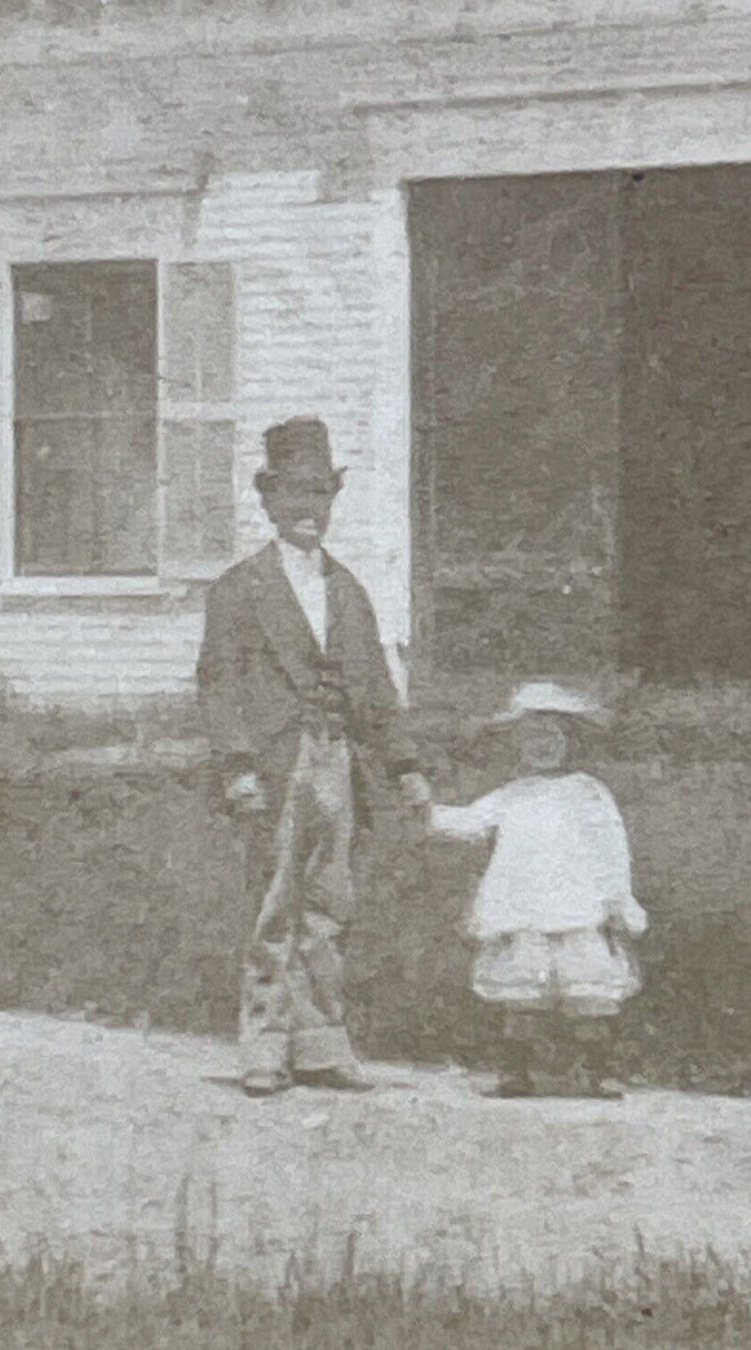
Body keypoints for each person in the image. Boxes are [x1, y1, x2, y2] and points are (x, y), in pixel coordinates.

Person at [196, 416, 431, 1098]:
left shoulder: (347, 590)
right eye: (295, 494)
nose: (309, 510)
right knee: (274, 901)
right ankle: (264, 1045)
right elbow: (219, 684)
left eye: (321, 495)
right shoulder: (240, 588)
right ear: (267, 500)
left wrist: (403, 765)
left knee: (330, 902)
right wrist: (237, 765)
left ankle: (321, 1042)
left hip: (338, 761)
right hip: (275, 761)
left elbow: (376, 689)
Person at [426, 682, 648, 1098]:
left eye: (552, 737)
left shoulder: (589, 792)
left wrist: (618, 897)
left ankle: (597, 1070)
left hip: (577, 906)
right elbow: (471, 821)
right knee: (522, 992)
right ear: (518, 745)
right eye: (532, 737)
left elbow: (612, 848)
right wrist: (425, 811)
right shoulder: (512, 796)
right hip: (524, 905)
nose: (542, 746)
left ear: (571, 742)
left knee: (588, 992)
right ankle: (515, 1071)